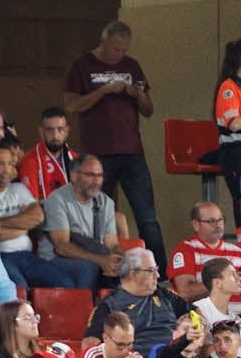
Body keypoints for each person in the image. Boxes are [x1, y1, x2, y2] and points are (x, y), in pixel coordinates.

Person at [63, 21, 164, 270]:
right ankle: (101, 267)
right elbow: (72, 105)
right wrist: (104, 91)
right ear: (103, 42)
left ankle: (159, 270)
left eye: (124, 50)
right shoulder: (82, 65)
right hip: (98, 154)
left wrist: (139, 95)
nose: (119, 55)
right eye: (115, 49)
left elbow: (148, 110)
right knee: (99, 215)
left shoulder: (132, 66)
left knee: (147, 217)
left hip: (132, 152)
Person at [39, 154, 120, 292]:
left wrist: (119, 261)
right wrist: (100, 260)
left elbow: (112, 244)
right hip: (54, 259)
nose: (97, 181)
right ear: (74, 176)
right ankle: (84, 306)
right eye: (90, 175)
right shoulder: (58, 200)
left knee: (128, 267)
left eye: (100, 176)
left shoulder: (106, 202)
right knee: (88, 267)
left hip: (92, 255)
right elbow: (62, 247)